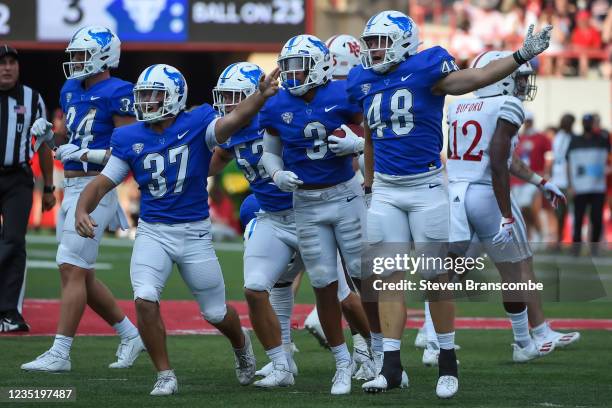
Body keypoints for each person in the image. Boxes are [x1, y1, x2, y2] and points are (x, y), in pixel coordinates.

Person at [347, 10, 552, 398]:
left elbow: (473, 78)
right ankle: (391, 367)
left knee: (434, 278)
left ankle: (447, 360)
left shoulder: (427, 66)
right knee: (388, 278)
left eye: (380, 41)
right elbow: (372, 135)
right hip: (387, 192)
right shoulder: (362, 80)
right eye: (370, 41)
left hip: (426, 188)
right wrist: (370, 183)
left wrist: (521, 56)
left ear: (404, 42)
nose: (373, 49)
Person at [73, 63, 280, 395]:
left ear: (173, 97)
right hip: (153, 231)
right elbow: (102, 182)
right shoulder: (129, 136)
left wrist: (260, 96)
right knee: (144, 297)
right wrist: (83, 208)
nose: (146, 102)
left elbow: (233, 120)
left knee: (215, 312)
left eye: (153, 95)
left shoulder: (197, 123)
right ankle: (165, 373)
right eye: (143, 96)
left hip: (195, 232)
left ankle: (241, 344)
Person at [22, 26, 144, 372]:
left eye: (81, 55)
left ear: (104, 57)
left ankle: (60, 353)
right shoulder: (71, 88)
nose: (75, 62)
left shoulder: (120, 92)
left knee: (71, 268)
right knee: (82, 274)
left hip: (99, 187)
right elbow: (68, 143)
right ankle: (130, 334)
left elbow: (129, 150)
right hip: (71, 187)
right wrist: (49, 136)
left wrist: (87, 153)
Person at [261, 34, 378, 395]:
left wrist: (357, 144)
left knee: (362, 276)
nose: (293, 74)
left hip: (346, 196)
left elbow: (376, 127)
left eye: (300, 66)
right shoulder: (277, 103)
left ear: (322, 66)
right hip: (306, 203)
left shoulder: (342, 93)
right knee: (324, 284)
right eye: (289, 67)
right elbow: (270, 152)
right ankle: (343, 364)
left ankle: (384, 354)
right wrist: (277, 173)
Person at [446, 50, 578, 364]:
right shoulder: (507, 105)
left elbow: (499, 158)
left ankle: (432, 336)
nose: (521, 84)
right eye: (516, 76)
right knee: (515, 269)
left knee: (447, 272)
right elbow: (497, 163)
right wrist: (506, 212)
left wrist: (540, 182)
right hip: (486, 194)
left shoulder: (458, 105)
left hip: (455, 194)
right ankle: (525, 340)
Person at [0, 45, 55, 332]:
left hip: (17, 179)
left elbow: (45, 144)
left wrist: (48, 185)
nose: (7, 67)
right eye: (2, 63)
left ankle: (9, 313)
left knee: (14, 242)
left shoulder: (33, 99)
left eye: (11, 62)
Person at [567, 113, 610, 254]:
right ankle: (576, 248)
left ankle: (594, 248)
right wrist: (570, 185)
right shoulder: (575, 141)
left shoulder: (602, 140)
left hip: (597, 187)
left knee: (597, 219)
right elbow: (569, 164)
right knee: (578, 219)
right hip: (580, 187)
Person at [512, 111, 552, 241]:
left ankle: (539, 232)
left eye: (529, 121)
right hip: (517, 179)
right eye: (525, 121)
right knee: (520, 211)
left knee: (526, 206)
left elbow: (549, 156)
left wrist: (546, 173)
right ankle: (529, 235)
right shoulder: (517, 137)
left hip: (533, 177)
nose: (527, 124)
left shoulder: (541, 137)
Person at [550, 114, 575, 249]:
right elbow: (555, 158)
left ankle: (574, 241)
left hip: (569, 181)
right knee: (559, 214)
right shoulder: (558, 137)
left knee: (572, 212)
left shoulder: (573, 138)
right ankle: (558, 240)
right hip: (558, 180)